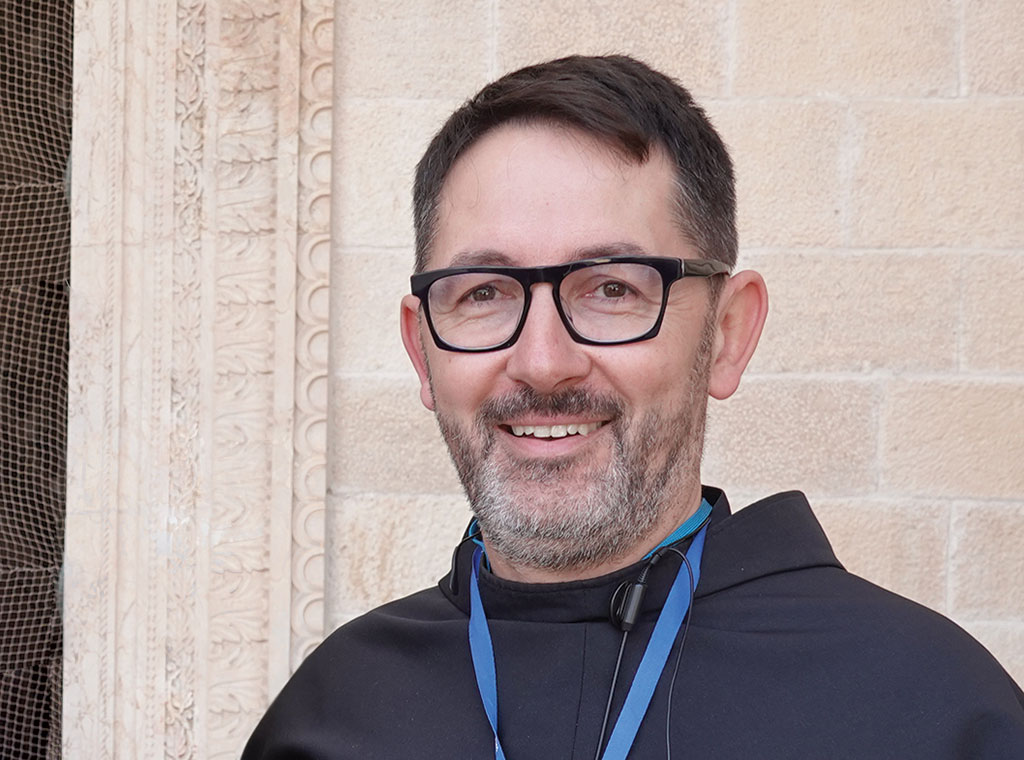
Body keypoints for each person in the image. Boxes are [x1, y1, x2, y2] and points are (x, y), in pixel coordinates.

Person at [243, 55, 1024, 759]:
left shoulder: (931, 710)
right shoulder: (333, 713)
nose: (543, 362)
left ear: (726, 335)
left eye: (612, 288)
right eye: (483, 293)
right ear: (422, 351)